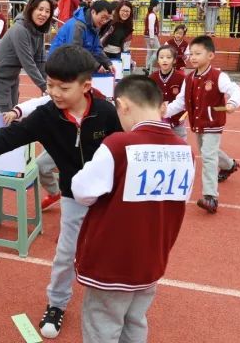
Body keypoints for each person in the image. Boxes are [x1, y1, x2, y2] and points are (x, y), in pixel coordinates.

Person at [0, 45, 123, 339]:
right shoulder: (47, 116)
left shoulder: (106, 113)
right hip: (73, 197)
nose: (55, 92)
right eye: (50, 85)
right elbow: (10, 136)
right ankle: (56, 304)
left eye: (63, 87)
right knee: (65, 255)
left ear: (85, 86)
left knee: (109, 252)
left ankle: (110, 303)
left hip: (108, 199)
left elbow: (125, 148)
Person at [71, 75, 192, 342]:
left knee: (102, 325)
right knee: (135, 322)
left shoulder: (118, 144)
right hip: (152, 257)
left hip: (112, 260)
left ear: (123, 105)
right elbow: (178, 200)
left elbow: (81, 191)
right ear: (162, 107)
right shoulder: (185, 151)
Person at [165, 36, 240, 214]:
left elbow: (236, 90)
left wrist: (233, 103)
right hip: (198, 123)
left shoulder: (218, 76)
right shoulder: (189, 78)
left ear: (210, 56)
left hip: (213, 124)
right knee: (208, 151)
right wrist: (162, 112)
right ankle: (229, 165)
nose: (193, 57)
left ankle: (210, 197)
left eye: (197, 53)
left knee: (208, 157)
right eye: (191, 54)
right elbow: (180, 102)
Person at [0, 0, 54, 113]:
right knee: (4, 113)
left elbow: (40, 60)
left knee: (13, 111)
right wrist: (44, 87)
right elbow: (27, 62)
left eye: (47, 11)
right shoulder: (20, 29)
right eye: (40, 9)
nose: (43, 14)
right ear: (31, 9)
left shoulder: (39, 30)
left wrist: (49, 84)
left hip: (13, 74)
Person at [48, 0, 115, 75]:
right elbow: (75, 52)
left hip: (72, 64)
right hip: (59, 65)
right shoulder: (78, 26)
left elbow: (96, 49)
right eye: (103, 17)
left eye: (107, 19)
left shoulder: (94, 25)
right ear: (93, 12)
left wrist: (108, 63)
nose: (104, 21)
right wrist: (96, 66)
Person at [150, 46, 187, 139]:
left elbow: (184, 99)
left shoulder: (181, 77)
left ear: (174, 60)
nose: (164, 60)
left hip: (177, 122)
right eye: (161, 57)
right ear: (157, 60)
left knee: (180, 145)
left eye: (168, 57)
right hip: (157, 121)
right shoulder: (152, 78)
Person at [143, 0, 161, 75]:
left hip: (147, 35)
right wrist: (152, 38)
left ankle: (148, 69)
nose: (159, 7)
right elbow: (151, 27)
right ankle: (148, 66)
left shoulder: (150, 14)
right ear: (155, 5)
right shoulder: (152, 15)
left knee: (150, 52)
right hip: (151, 36)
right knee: (158, 51)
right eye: (159, 5)